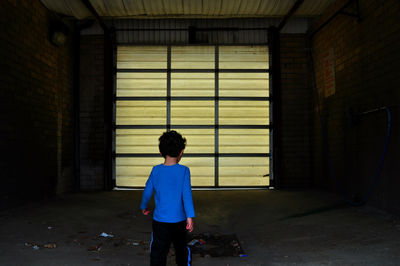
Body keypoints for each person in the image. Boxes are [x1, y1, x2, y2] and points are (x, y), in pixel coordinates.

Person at [140, 130, 195, 266]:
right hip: (179, 221)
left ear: (160, 152)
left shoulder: (156, 170)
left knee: (158, 251)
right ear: (181, 152)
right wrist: (190, 216)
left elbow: (147, 191)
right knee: (182, 250)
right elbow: (187, 195)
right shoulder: (184, 171)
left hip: (160, 222)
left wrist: (144, 206)